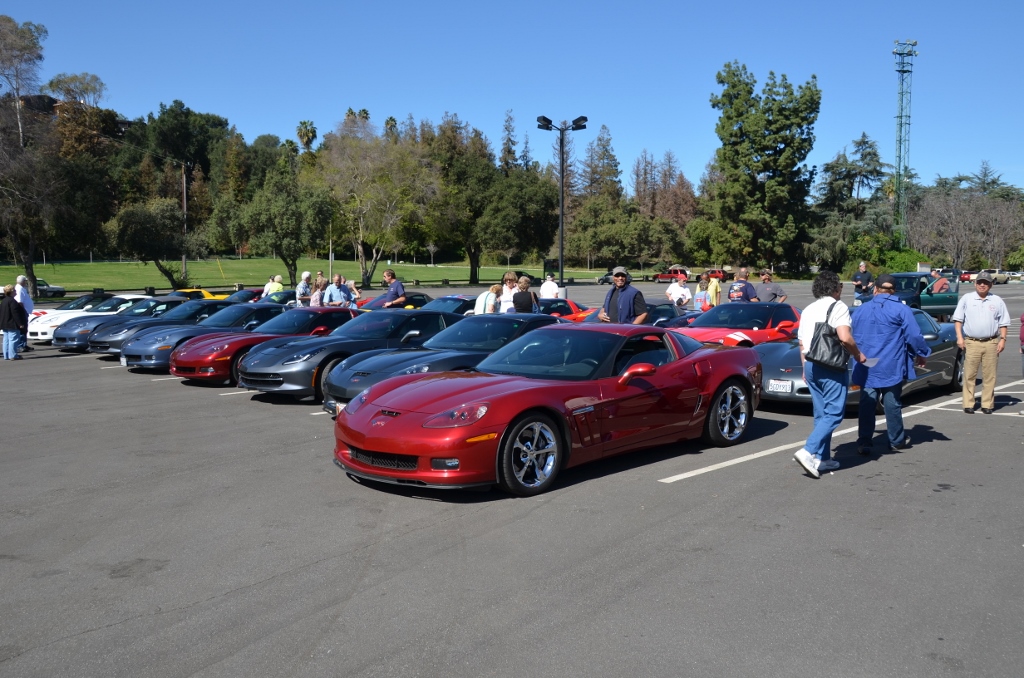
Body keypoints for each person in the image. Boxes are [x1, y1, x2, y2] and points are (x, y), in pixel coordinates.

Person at [793, 270, 868, 478]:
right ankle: (809, 451)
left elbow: (801, 343)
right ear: (836, 288)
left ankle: (823, 458)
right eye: (840, 287)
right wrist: (859, 354)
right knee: (834, 413)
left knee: (821, 413)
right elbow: (844, 337)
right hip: (831, 365)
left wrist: (804, 369)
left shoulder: (808, 309)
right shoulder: (838, 306)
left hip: (810, 364)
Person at [851, 274, 932, 454]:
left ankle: (864, 441)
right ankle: (896, 440)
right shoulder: (901, 309)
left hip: (866, 364)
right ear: (894, 291)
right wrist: (922, 353)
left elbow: (851, 335)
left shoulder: (861, 310)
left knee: (866, 403)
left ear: (875, 289)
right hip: (890, 364)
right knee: (892, 403)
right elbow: (913, 335)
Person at [952, 272, 1010, 414]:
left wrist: (1002, 339)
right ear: (975, 283)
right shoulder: (967, 298)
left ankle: (987, 404)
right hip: (971, 342)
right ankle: (968, 404)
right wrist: (960, 337)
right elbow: (958, 320)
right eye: (980, 282)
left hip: (991, 342)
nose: (982, 285)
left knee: (990, 375)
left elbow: (1003, 322)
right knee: (969, 374)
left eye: (985, 282)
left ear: (991, 285)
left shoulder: (997, 300)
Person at [1, 284, 27, 361]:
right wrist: (20, 324)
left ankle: (6, 355)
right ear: (12, 291)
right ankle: (13, 355)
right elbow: (15, 313)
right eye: (14, 290)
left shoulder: (4, 301)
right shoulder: (12, 301)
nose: (16, 292)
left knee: (6, 340)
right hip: (12, 324)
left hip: (4, 323)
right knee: (13, 340)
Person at [14, 275, 33, 352]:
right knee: (22, 329)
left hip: (25, 311)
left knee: (25, 329)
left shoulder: (22, 288)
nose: (26, 282)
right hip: (23, 311)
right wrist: (23, 311)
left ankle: (24, 344)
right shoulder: (19, 289)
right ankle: (21, 345)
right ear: (23, 282)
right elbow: (19, 301)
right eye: (25, 281)